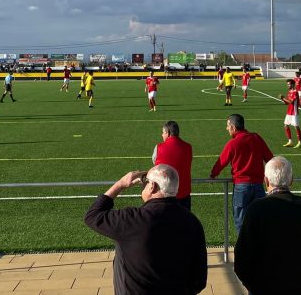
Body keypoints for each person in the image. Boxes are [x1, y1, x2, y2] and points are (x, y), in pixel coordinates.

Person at [84, 165, 207, 295]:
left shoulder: (131, 220)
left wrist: (120, 185)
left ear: (152, 186)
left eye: (145, 182)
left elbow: (92, 216)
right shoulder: (192, 222)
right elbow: (199, 280)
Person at [234, 156, 301, 294]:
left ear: (266, 180)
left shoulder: (256, 209)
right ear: (291, 179)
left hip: (263, 286)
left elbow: (241, 258)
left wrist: (254, 286)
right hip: (300, 286)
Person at [209, 113, 274, 233]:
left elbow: (221, 162)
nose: (227, 129)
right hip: (258, 186)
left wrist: (213, 174)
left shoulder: (233, 143)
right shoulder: (256, 138)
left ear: (233, 127)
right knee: (259, 220)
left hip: (241, 187)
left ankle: (244, 249)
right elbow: (270, 159)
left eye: (228, 126)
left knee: (240, 221)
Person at [152, 120, 193, 210]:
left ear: (168, 133)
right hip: (184, 194)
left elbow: (155, 164)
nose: (162, 135)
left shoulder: (158, 147)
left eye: (163, 133)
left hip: (164, 196)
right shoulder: (188, 147)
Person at [280, 78, 301, 148]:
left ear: (293, 84)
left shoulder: (295, 92)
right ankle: (290, 141)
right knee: (286, 125)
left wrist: (283, 98)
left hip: (294, 112)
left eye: (289, 84)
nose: (288, 85)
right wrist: (283, 100)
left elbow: (291, 102)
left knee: (296, 127)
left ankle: (300, 142)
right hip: (289, 112)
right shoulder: (289, 92)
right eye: (287, 84)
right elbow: (287, 103)